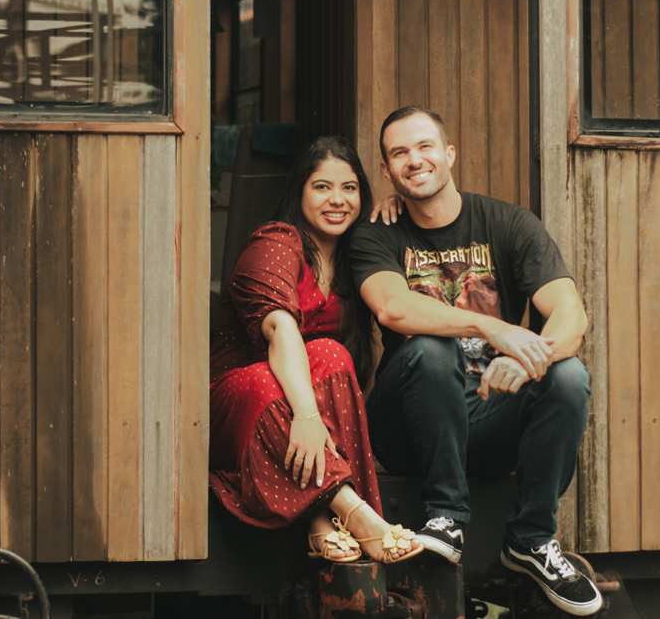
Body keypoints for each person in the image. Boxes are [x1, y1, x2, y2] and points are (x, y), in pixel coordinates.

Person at [351, 106, 600, 615]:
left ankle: (531, 539)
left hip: (488, 420)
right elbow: (393, 307)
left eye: (424, 147)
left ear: (449, 154)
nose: (414, 160)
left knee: (569, 375)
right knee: (429, 343)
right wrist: (493, 327)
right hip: (409, 426)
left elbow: (571, 313)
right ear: (387, 171)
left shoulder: (508, 224)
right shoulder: (377, 233)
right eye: (399, 153)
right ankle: (445, 513)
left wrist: (534, 359)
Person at [210, 136, 422, 564]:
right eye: (322, 187)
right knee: (273, 377)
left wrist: (393, 210)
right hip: (240, 409)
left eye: (349, 188)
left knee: (331, 354)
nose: (337, 200)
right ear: (299, 192)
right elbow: (281, 327)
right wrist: (305, 416)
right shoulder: (275, 243)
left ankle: (320, 523)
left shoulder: (353, 261)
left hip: (308, 417)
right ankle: (354, 514)